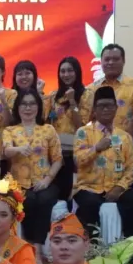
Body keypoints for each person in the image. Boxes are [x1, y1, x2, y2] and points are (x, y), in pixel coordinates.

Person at [73, 86, 133, 241]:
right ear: (94, 110)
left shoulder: (124, 137)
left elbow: (131, 167)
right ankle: (91, 248)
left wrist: (119, 188)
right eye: (101, 106)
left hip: (117, 186)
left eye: (109, 106)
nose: (106, 109)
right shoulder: (83, 133)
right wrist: (96, 148)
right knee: (89, 204)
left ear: (116, 108)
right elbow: (78, 160)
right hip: (89, 187)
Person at [4, 88, 62, 259]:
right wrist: (19, 149)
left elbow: (58, 159)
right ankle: (28, 248)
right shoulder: (10, 130)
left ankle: (38, 248)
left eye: (32, 104)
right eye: (24, 104)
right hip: (19, 183)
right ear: (18, 107)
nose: (28, 108)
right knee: (28, 201)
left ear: (38, 107)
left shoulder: (48, 129)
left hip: (44, 180)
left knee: (44, 200)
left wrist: (47, 180)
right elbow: (6, 151)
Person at [44, 57, 88, 202]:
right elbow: (44, 121)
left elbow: (81, 126)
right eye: (62, 71)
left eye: (70, 70)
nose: (66, 74)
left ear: (77, 72)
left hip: (75, 151)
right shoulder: (53, 96)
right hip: (55, 152)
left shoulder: (87, 94)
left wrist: (72, 100)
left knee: (69, 193)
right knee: (54, 192)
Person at [81, 44, 133, 135]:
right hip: (97, 141)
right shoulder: (91, 89)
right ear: (101, 62)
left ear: (123, 61)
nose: (111, 62)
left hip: (126, 141)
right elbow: (83, 121)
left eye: (116, 59)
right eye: (107, 59)